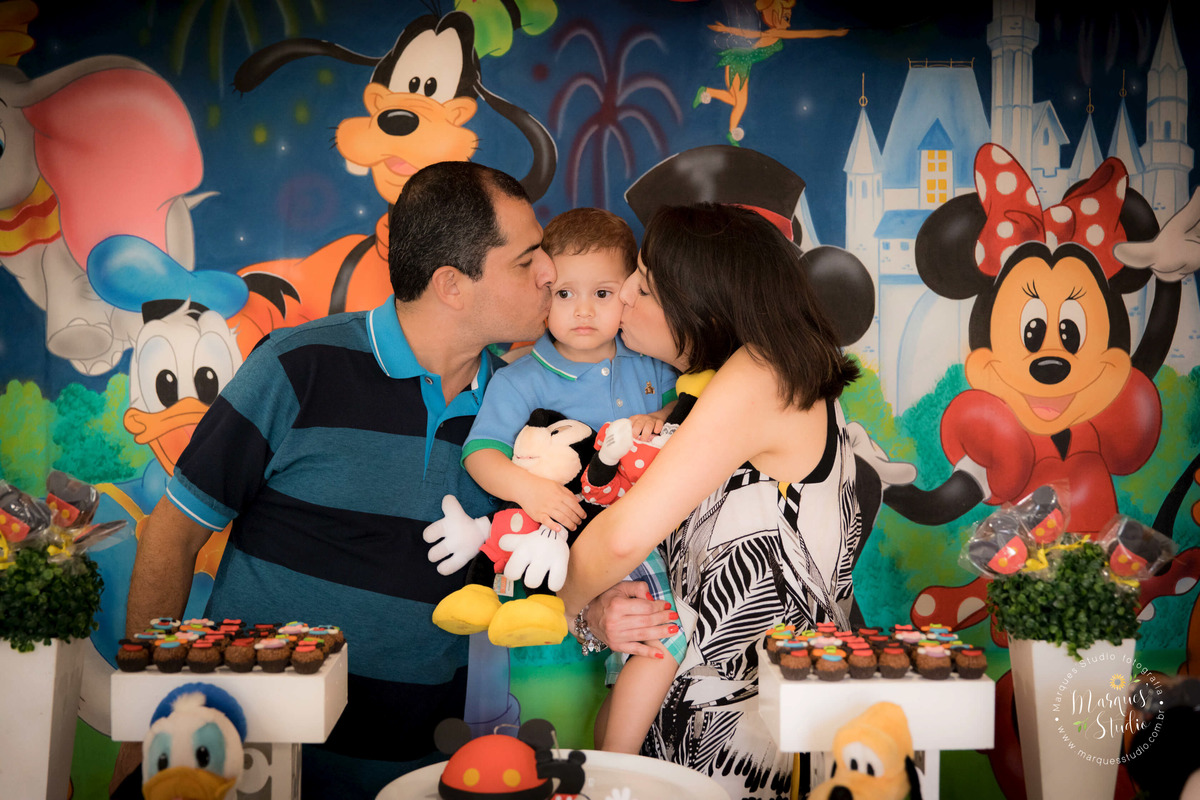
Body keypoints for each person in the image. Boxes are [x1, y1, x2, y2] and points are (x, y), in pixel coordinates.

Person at [120, 161, 556, 798]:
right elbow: (173, 534)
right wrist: (143, 730)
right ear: (452, 285)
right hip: (249, 768)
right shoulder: (300, 367)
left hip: (419, 774)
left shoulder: (525, 420)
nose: (551, 272)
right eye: (528, 260)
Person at [559, 202, 864, 799]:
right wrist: (597, 616)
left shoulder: (762, 375)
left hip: (744, 750)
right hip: (686, 739)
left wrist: (557, 610)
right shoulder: (729, 387)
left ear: (699, 309)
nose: (622, 294)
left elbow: (623, 537)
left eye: (643, 286)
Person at [457, 207, 684, 754]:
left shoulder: (649, 363)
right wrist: (530, 488)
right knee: (655, 640)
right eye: (564, 294)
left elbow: (690, 397)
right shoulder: (522, 378)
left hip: (650, 544)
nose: (583, 310)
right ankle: (610, 760)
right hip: (564, 553)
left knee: (658, 641)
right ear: (543, 292)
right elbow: (480, 454)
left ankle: (618, 759)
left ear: (630, 292)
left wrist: (666, 411)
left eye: (603, 294)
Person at [695, 0, 848, 146]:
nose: (788, 23)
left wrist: (726, 29)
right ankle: (730, 131)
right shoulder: (775, 33)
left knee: (736, 100)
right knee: (741, 102)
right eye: (785, 17)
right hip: (739, 62)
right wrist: (834, 32)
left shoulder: (770, 34)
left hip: (741, 62)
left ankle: (708, 92)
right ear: (775, 14)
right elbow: (809, 33)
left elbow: (747, 33)